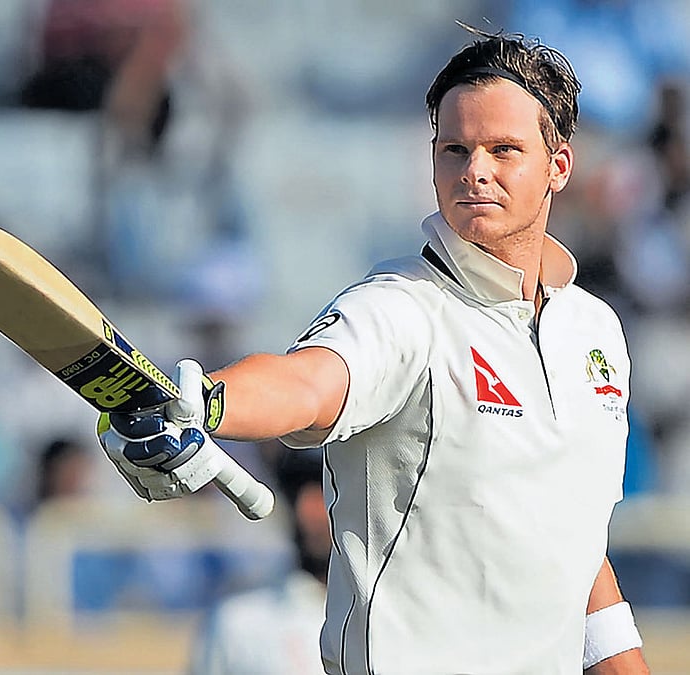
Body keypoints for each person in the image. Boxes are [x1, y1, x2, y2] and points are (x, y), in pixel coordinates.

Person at [98, 25, 650, 674]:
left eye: (504, 149)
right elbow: (308, 384)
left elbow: (574, 544)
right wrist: (206, 401)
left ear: (559, 165)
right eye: (455, 149)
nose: (475, 170)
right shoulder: (400, 306)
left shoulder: (595, 331)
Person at [188, 446, 329, 674]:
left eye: (327, 491)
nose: (308, 512)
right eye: (298, 491)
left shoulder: (384, 620)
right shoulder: (237, 625)